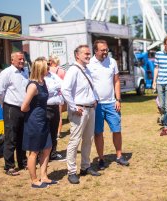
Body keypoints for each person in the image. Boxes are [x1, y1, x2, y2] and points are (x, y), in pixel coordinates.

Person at [87, 40, 129, 170]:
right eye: (102, 50)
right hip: (97, 105)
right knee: (98, 133)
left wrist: (118, 99)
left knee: (117, 130)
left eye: (106, 50)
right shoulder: (89, 64)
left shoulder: (112, 62)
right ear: (95, 51)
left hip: (112, 103)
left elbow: (116, 81)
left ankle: (119, 156)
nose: (106, 52)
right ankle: (101, 159)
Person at [62, 45, 100, 185]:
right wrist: (73, 106)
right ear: (77, 55)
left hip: (90, 108)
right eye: (86, 54)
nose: (89, 56)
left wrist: (94, 99)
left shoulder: (87, 69)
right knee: (75, 140)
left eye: (89, 53)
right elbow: (65, 89)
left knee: (88, 139)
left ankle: (85, 166)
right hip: (80, 110)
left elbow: (92, 87)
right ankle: (71, 171)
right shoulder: (73, 70)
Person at [21, 57, 55, 188]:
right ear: (40, 68)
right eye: (46, 66)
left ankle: (44, 176)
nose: (48, 68)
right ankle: (34, 180)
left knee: (47, 147)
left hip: (43, 119)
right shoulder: (33, 85)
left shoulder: (43, 82)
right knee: (34, 151)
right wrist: (33, 111)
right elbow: (24, 107)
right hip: (34, 122)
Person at [0, 51, 28, 176]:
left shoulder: (25, 71)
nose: (21, 61)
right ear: (12, 60)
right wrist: (3, 104)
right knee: (11, 137)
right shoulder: (6, 72)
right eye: (19, 59)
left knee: (22, 137)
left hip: (23, 108)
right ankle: (9, 166)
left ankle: (23, 162)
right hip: (11, 108)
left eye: (23, 59)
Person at [45, 63, 65, 161]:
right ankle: (43, 155)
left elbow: (62, 84)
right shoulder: (38, 77)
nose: (48, 67)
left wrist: (54, 88)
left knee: (54, 131)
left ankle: (52, 153)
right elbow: (46, 91)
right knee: (45, 132)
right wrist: (55, 88)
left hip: (55, 107)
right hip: (45, 108)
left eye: (48, 65)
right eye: (45, 65)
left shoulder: (52, 75)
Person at [48, 55, 66, 139]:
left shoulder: (48, 70)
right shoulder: (62, 70)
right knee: (59, 115)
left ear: (51, 61)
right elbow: (65, 84)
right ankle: (58, 133)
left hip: (49, 97)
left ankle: (51, 132)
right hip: (59, 95)